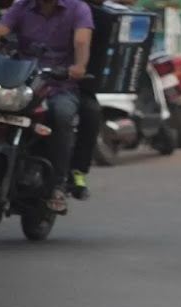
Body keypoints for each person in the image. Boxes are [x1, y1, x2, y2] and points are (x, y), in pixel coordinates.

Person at [0, 0, 94, 214]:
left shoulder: (78, 8)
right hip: (20, 82)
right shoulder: (21, 6)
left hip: (58, 85)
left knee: (62, 115)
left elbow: (81, 41)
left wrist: (79, 66)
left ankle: (57, 186)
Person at [67, 0, 136, 200]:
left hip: (69, 82)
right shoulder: (24, 8)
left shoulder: (94, 16)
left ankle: (77, 171)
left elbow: (90, 57)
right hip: (32, 79)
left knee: (87, 114)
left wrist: (79, 73)